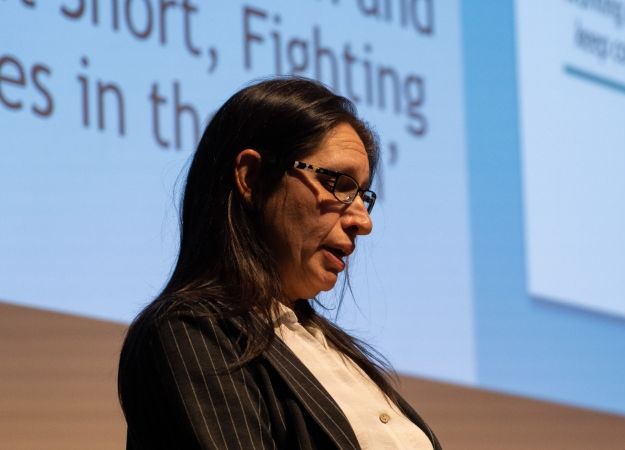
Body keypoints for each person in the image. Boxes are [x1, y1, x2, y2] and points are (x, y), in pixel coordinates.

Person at [118, 77, 441, 450]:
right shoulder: (189, 331)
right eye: (339, 184)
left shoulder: (332, 349)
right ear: (251, 178)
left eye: (362, 195)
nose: (363, 222)